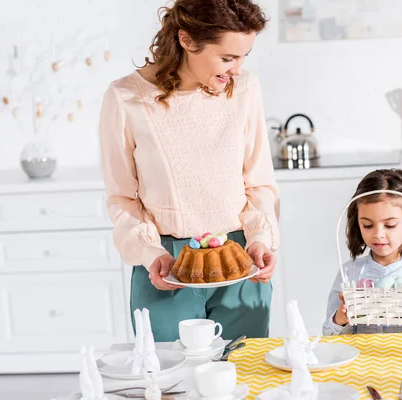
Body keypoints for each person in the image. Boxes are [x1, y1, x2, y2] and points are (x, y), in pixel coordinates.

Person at [98, 0, 279, 342]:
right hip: (165, 265)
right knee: (172, 386)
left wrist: (260, 239)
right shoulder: (125, 98)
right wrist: (152, 253)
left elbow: (259, 184)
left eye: (244, 56)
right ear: (187, 40)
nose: (237, 69)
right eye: (227, 58)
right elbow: (122, 198)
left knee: (245, 382)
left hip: (239, 259)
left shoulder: (244, 89)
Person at [322, 169, 402, 335]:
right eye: (367, 225)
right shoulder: (350, 273)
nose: (378, 234)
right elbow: (327, 333)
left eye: (390, 225)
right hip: (364, 358)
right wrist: (339, 319)